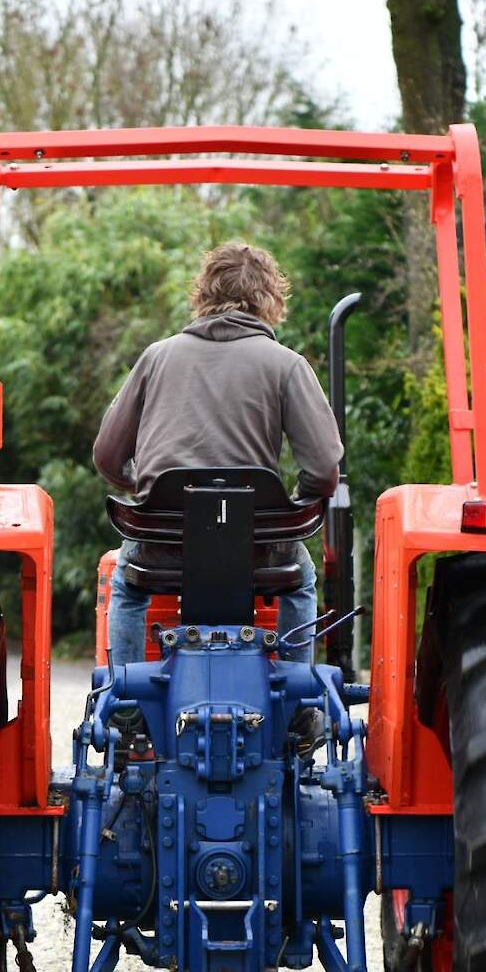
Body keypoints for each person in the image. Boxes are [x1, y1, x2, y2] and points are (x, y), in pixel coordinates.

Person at [93, 241, 343, 669]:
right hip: (255, 549)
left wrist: (147, 490)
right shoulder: (287, 365)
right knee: (300, 581)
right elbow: (322, 470)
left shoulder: (156, 358)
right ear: (271, 300)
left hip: (164, 546)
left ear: (203, 294)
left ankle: (128, 703)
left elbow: (108, 457)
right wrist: (282, 511)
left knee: (127, 584)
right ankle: (297, 700)